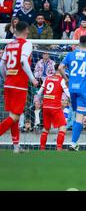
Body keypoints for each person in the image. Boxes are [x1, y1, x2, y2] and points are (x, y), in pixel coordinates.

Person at [0, 21, 38, 153]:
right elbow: (23, 61)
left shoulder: (9, 44)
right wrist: (32, 78)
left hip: (9, 83)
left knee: (13, 115)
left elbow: (2, 64)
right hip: (19, 85)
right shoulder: (26, 43)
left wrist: (6, 78)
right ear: (26, 30)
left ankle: (16, 147)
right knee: (15, 117)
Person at [58, 35, 86, 151]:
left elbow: (60, 68)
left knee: (75, 113)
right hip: (82, 90)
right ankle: (73, 143)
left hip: (72, 89)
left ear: (79, 43)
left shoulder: (70, 55)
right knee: (79, 117)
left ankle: (70, 141)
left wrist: (67, 79)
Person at [36, 64, 70, 151]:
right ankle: (59, 148)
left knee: (46, 128)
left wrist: (39, 101)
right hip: (55, 106)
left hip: (46, 106)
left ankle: (42, 148)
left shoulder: (47, 78)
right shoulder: (61, 80)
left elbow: (39, 92)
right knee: (62, 127)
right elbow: (68, 93)